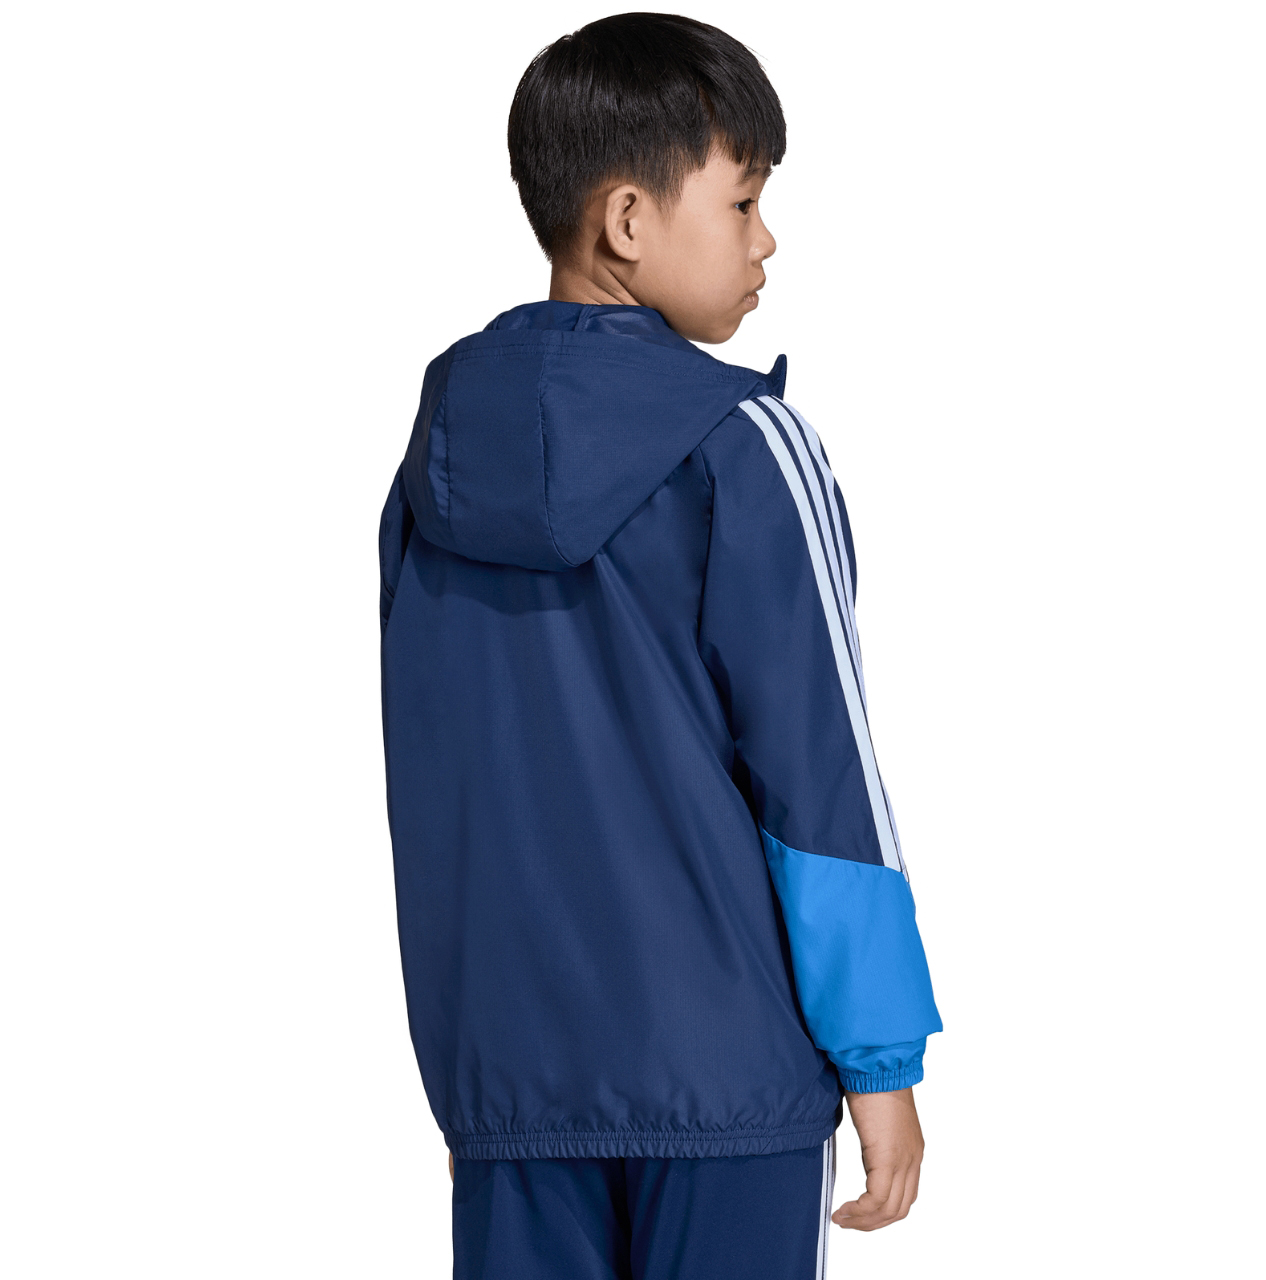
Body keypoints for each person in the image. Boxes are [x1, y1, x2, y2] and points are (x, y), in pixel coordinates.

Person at [378, 13, 942, 1279]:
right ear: (628, 221)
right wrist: (880, 1060)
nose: (765, 238)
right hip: (724, 1076)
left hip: (509, 1082)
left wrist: (478, 1076)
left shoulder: (435, 458)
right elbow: (820, 776)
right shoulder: (740, 448)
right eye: (742, 200)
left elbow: (434, 775)